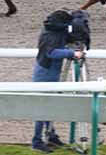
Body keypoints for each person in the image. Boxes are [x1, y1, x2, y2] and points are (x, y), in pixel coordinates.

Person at [32, 10, 85, 153]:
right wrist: (72, 53)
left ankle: (51, 135)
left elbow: (65, 38)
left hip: (49, 71)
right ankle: (37, 141)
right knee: (43, 108)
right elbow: (52, 53)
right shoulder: (50, 35)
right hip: (45, 73)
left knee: (50, 106)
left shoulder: (54, 30)